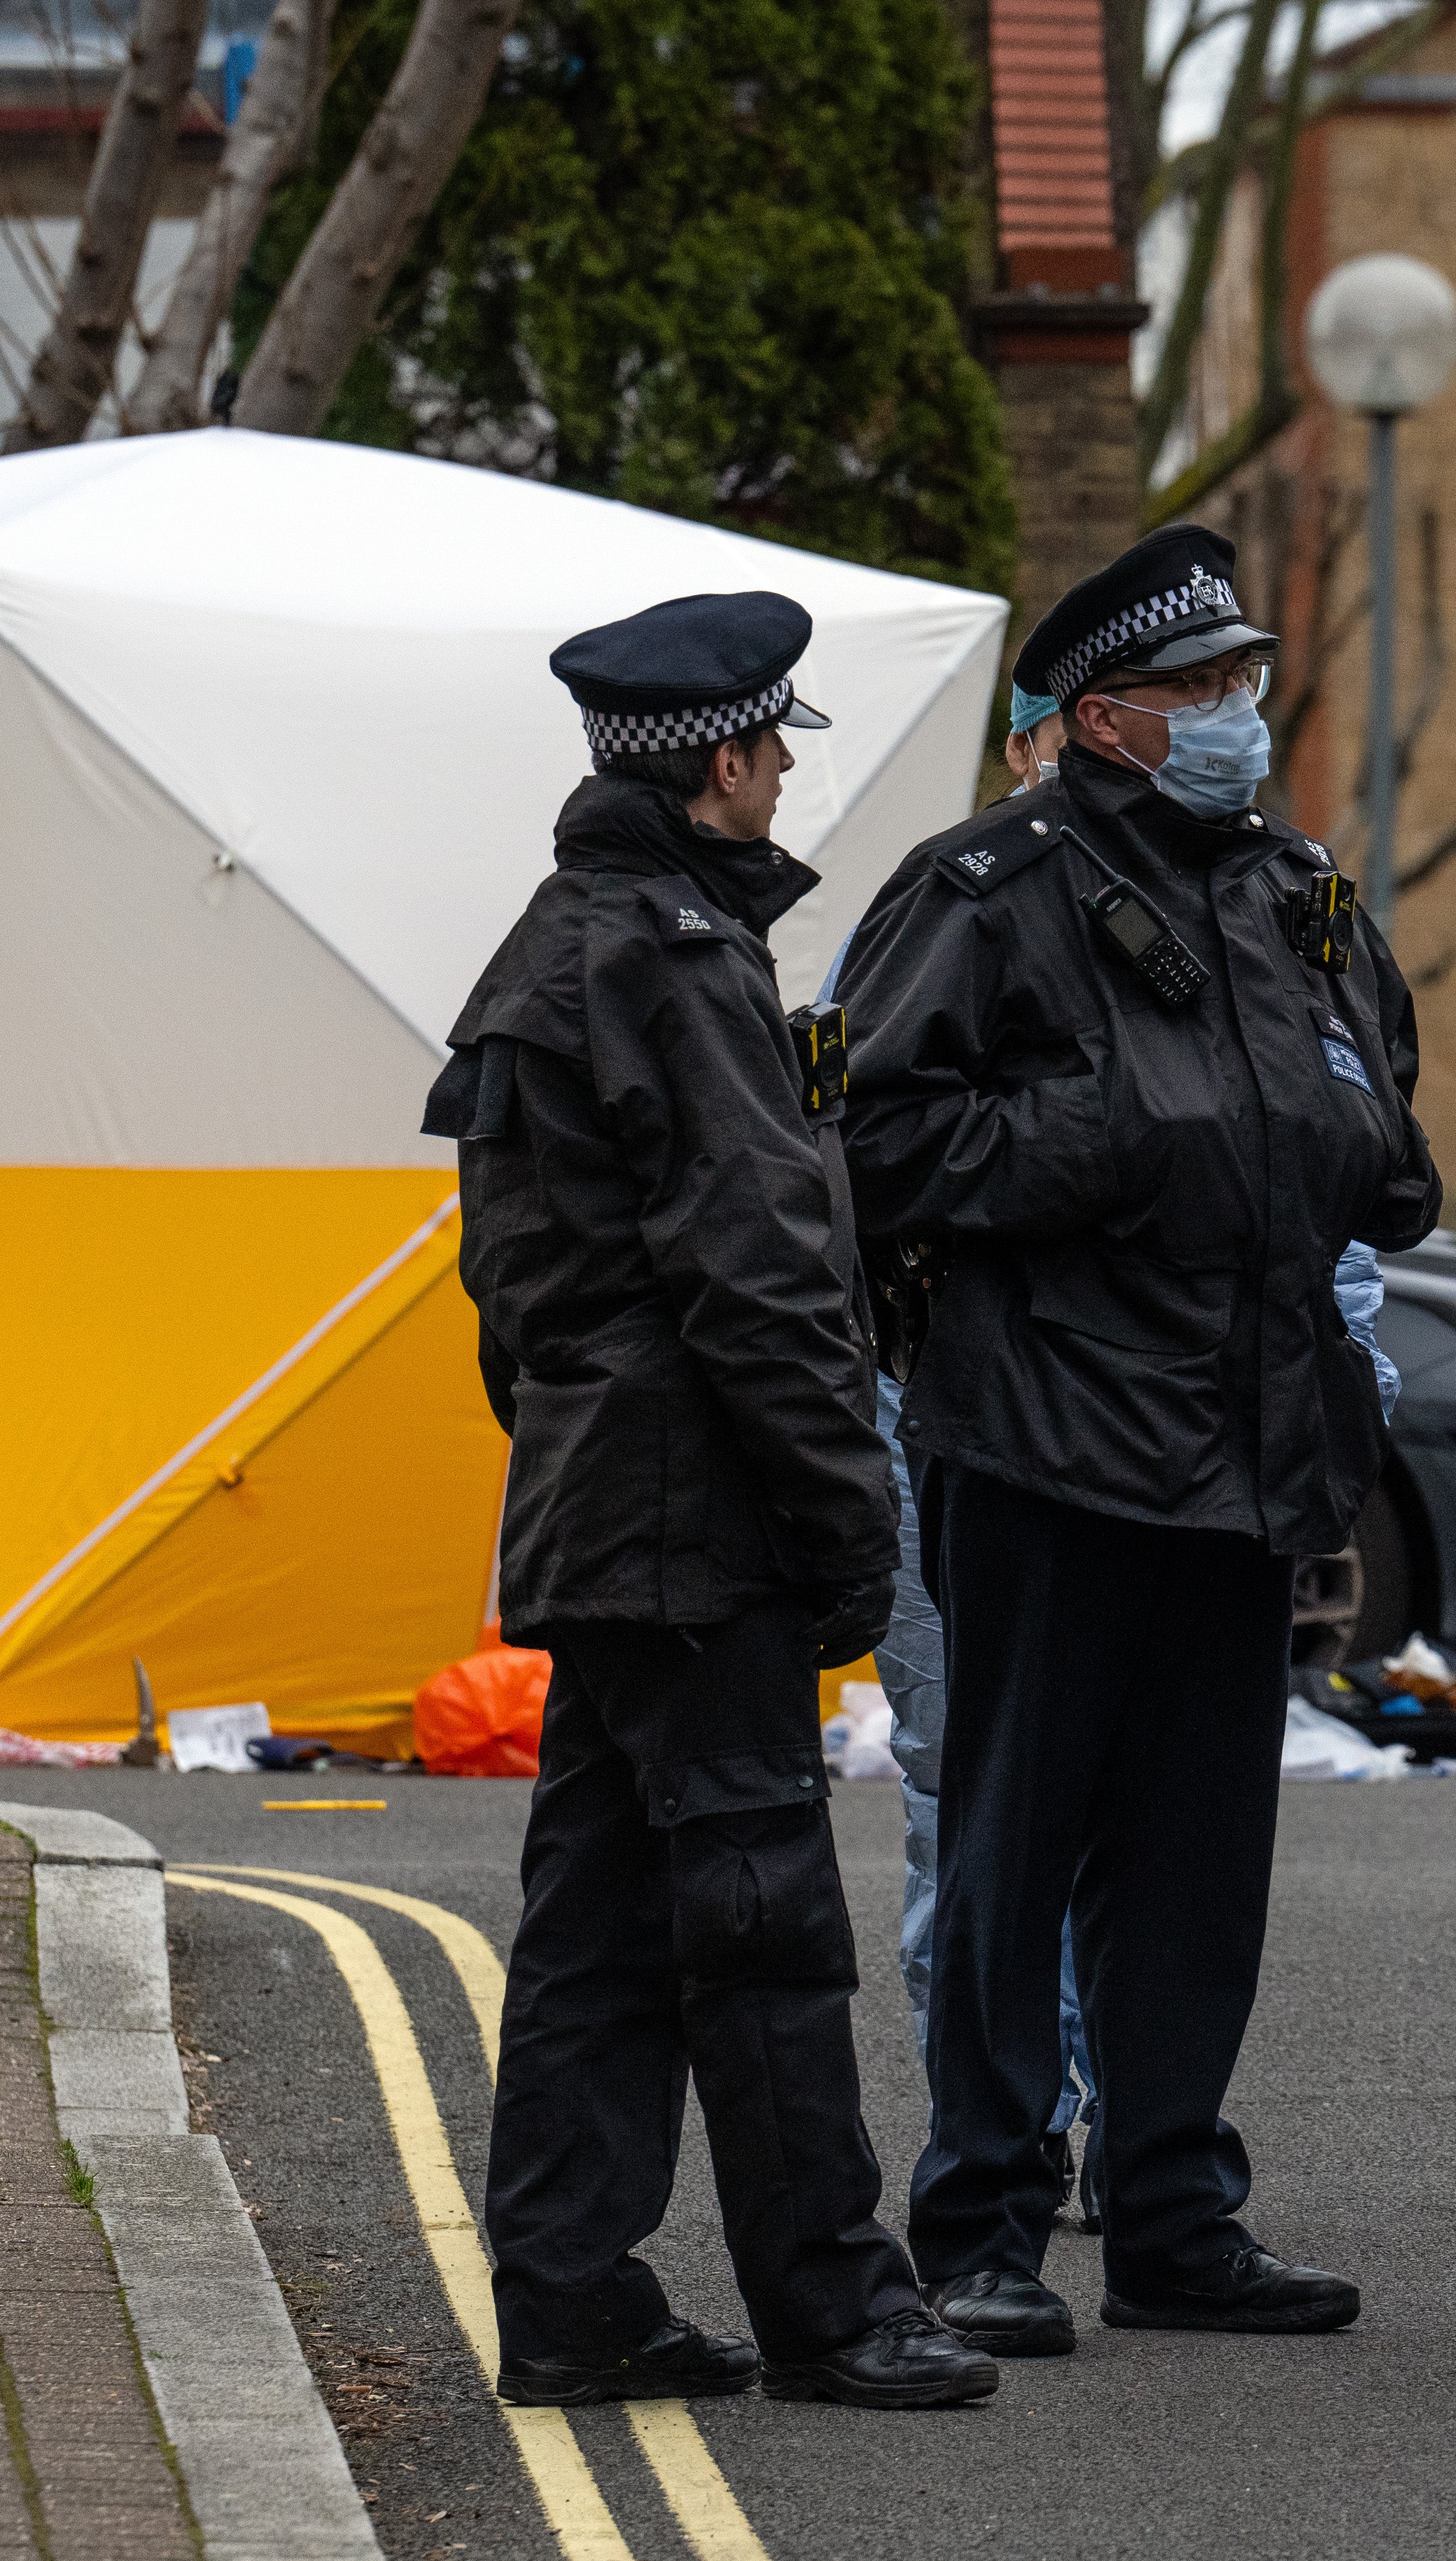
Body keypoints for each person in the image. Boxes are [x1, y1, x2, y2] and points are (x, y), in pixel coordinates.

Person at [835, 526, 1440, 2356]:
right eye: (1202, 694)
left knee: (1198, 1863)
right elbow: (869, 1144)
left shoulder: (1293, 894)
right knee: (1018, 1849)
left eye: (1246, 687)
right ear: (1102, 720)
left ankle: (1176, 2211)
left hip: (1243, 1441)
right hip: (1045, 1443)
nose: (1240, 717)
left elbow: (1383, 1129)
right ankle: (986, 2221)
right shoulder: (982, 890)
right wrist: (1104, 1140)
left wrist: (1353, 1154)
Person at [431, 591, 993, 2413]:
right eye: (773, 749)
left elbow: (507, 1292)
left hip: (602, 1507)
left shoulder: (552, 946)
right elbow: (761, 1277)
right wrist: (849, 1520)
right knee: (759, 1916)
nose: (780, 780)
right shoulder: (676, 961)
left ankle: (577, 2293)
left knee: (601, 1924)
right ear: (726, 765)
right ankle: (838, 2304)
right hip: (702, 1517)